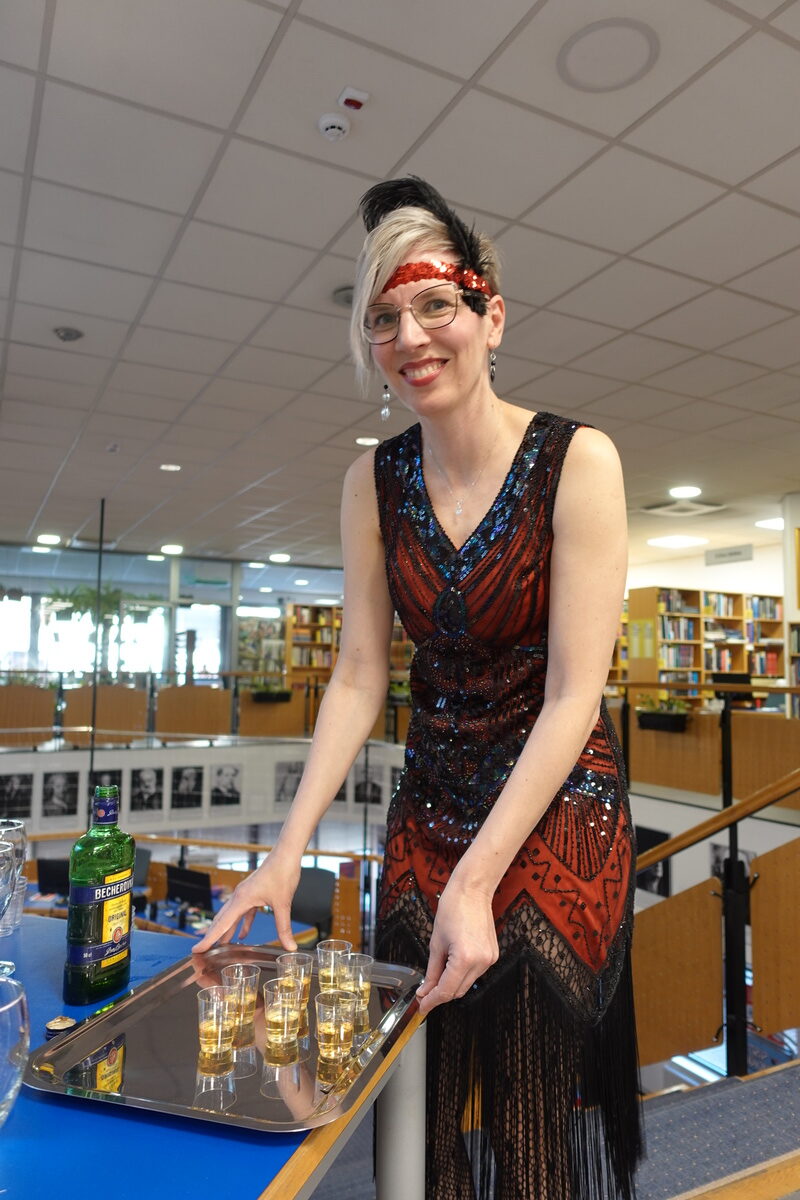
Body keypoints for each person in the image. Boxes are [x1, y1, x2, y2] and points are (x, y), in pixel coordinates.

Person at [194, 177, 642, 1199]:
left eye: (435, 304)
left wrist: (477, 885)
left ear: (491, 316)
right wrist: (283, 857)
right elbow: (359, 674)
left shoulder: (577, 462)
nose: (409, 337)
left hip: (554, 811)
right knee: (411, 1111)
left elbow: (574, 694)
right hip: (428, 806)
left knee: (527, 1124)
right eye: (383, 318)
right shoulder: (373, 482)